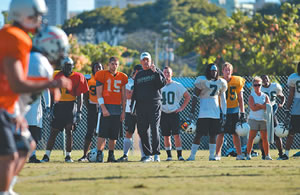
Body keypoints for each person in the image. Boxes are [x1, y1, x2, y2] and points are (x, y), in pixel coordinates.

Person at [0, 0, 71, 194]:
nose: (39, 21)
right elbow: (17, 84)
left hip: (7, 106)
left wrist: (16, 113)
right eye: (36, 16)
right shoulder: (16, 38)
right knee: (9, 155)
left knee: (25, 145)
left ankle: (7, 189)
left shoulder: (15, 37)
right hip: (3, 106)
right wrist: (52, 83)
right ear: (24, 15)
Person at [25, 26, 70, 163]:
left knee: (32, 134)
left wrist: (48, 104)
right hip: (17, 107)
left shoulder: (39, 61)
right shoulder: (36, 61)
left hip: (28, 106)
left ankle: (31, 156)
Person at [41, 57, 88, 163]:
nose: (67, 68)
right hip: (59, 105)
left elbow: (80, 95)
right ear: (62, 66)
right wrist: (50, 107)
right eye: (65, 66)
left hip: (71, 105)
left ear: (72, 66)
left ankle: (68, 156)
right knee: (53, 132)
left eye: (69, 66)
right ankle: (46, 156)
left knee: (69, 131)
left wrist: (79, 111)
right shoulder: (56, 74)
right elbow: (49, 89)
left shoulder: (78, 76)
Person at [186, 63, 227, 161]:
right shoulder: (202, 80)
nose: (214, 72)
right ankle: (192, 155)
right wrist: (192, 111)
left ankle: (212, 155)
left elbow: (223, 99)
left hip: (215, 113)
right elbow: (195, 97)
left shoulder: (221, 82)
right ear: (208, 71)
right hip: (204, 112)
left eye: (216, 70)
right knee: (198, 135)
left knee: (213, 135)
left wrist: (224, 113)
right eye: (212, 70)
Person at [131, 52, 166, 163]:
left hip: (154, 104)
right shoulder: (139, 75)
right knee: (142, 130)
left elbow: (161, 84)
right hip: (141, 106)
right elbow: (135, 92)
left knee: (154, 128)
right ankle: (148, 155)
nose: (146, 62)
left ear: (150, 60)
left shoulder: (156, 71)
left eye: (147, 59)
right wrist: (133, 105)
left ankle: (156, 154)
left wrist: (155, 72)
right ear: (141, 62)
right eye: (143, 60)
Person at [94, 57, 128, 163]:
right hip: (106, 107)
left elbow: (123, 96)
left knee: (114, 135)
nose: (114, 66)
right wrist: (103, 108)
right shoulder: (101, 74)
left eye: (116, 64)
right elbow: (99, 93)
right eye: (112, 64)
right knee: (102, 134)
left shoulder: (122, 77)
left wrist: (123, 111)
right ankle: (99, 154)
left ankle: (111, 155)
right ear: (109, 64)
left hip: (117, 108)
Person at [215, 62, 246, 160]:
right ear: (222, 71)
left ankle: (239, 154)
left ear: (231, 71)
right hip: (222, 111)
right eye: (225, 70)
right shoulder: (218, 81)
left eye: (229, 70)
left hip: (234, 111)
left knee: (235, 133)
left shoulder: (237, 81)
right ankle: (217, 154)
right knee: (220, 133)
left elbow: (240, 98)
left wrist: (242, 112)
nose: (227, 72)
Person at [160, 66, 190, 161]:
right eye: (164, 72)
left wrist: (181, 108)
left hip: (174, 113)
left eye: (168, 72)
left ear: (172, 74)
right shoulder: (159, 85)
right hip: (163, 113)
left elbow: (187, 96)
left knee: (177, 135)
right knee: (166, 136)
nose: (166, 74)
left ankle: (179, 155)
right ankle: (169, 156)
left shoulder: (177, 85)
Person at [117, 64, 146, 162]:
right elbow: (127, 95)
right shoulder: (129, 82)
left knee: (142, 133)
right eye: (139, 71)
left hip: (141, 110)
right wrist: (137, 92)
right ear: (136, 72)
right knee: (129, 132)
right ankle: (125, 155)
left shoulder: (144, 82)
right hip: (130, 111)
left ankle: (144, 155)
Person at [78, 62, 103, 162]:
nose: (98, 69)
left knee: (102, 133)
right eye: (96, 67)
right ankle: (84, 155)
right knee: (90, 132)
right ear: (93, 69)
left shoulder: (105, 78)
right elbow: (85, 94)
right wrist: (89, 106)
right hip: (92, 106)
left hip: (103, 107)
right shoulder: (89, 78)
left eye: (100, 67)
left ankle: (100, 154)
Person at [246, 76, 272, 160]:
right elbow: (253, 108)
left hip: (263, 119)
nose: (257, 87)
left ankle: (267, 155)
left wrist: (259, 105)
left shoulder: (265, 96)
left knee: (265, 138)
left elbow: (268, 107)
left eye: (259, 85)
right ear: (253, 86)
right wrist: (262, 106)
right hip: (253, 119)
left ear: (261, 85)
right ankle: (248, 154)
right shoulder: (251, 96)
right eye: (255, 85)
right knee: (251, 138)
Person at [260, 75, 285, 160]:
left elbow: (282, 96)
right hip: (262, 112)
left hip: (272, 111)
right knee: (262, 134)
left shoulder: (275, 86)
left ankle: (281, 154)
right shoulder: (259, 88)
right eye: (262, 79)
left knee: (276, 133)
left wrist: (282, 104)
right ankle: (264, 154)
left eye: (266, 78)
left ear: (269, 79)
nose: (265, 80)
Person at [280, 62, 300, 160]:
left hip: (296, 109)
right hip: (296, 109)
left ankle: (286, 154)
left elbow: (291, 95)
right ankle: (286, 154)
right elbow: (291, 94)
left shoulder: (293, 77)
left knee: (291, 132)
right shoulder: (293, 77)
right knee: (291, 132)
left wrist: (287, 108)